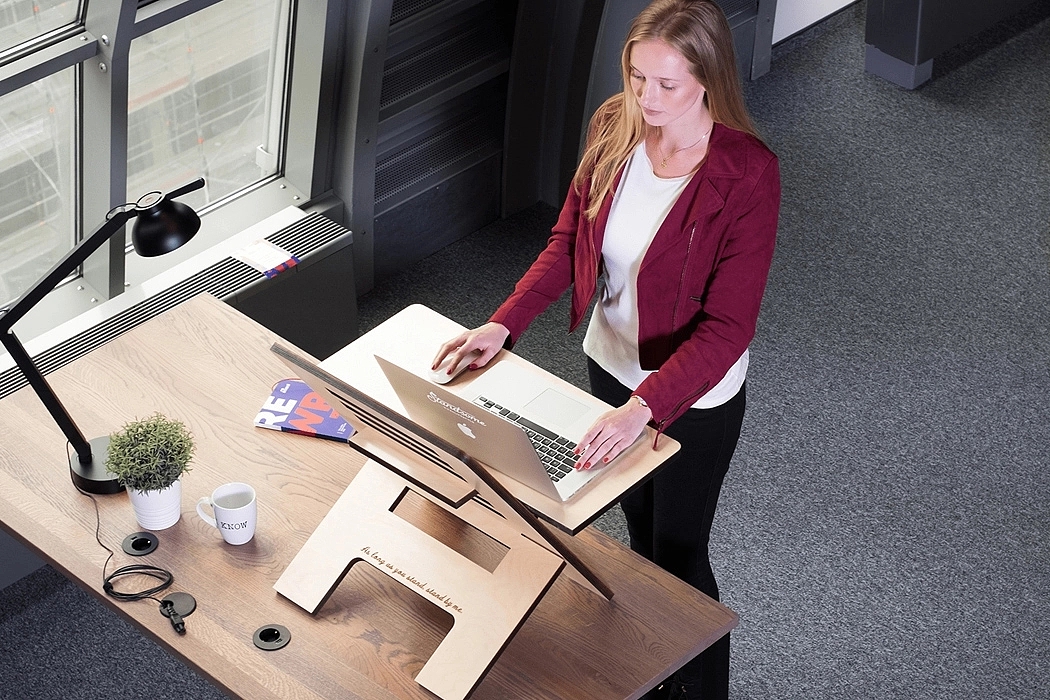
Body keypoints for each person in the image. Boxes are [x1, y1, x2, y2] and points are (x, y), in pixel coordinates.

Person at [433, 1, 779, 697]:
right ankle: (657, 674)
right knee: (640, 541)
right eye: (637, 76)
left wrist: (642, 412)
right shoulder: (614, 125)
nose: (647, 99)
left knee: (679, 555)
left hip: (690, 398)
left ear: (707, 79)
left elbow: (727, 328)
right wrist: (502, 325)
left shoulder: (748, 174)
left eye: (666, 85)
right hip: (611, 367)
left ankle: (702, 688)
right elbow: (569, 243)